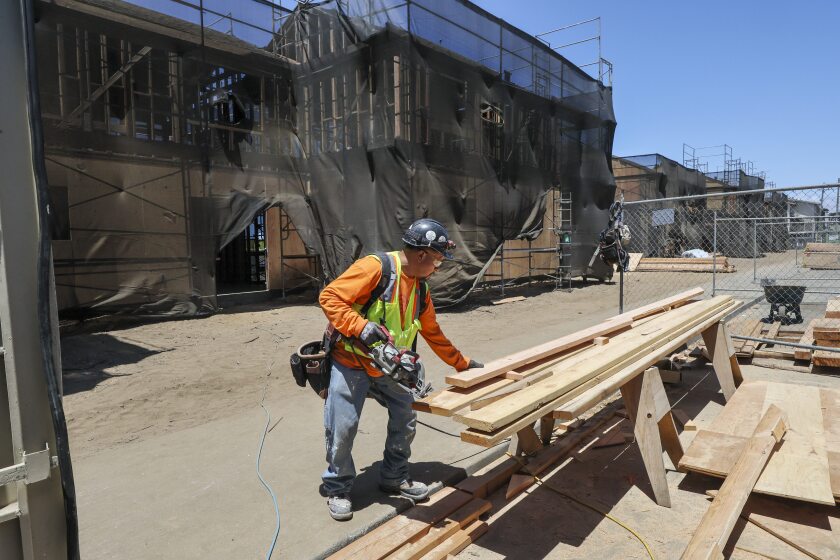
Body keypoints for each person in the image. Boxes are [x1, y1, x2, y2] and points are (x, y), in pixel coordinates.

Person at [318, 218, 483, 520]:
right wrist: (360, 327)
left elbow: (433, 332)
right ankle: (338, 487)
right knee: (343, 427)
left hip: (389, 368)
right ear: (422, 255)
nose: (437, 268)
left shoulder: (420, 289)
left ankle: (394, 476)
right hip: (352, 362)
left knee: (406, 417)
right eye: (436, 261)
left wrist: (463, 364)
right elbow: (329, 296)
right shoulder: (376, 268)